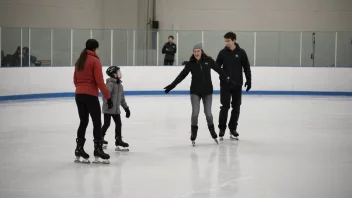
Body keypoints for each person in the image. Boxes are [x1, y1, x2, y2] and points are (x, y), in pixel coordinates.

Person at [164, 43, 234, 146]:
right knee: (195, 113)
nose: (196, 53)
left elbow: (219, 70)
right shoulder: (190, 64)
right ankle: (194, 131)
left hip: (207, 92)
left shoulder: (209, 61)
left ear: (201, 51)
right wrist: (172, 85)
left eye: (198, 51)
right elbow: (182, 76)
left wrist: (227, 79)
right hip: (195, 92)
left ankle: (212, 130)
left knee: (208, 113)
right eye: (194, 51)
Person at [73, 39, 113, 164]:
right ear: (95, 48)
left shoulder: (80, 60)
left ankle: (79, 149)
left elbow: (75, 79)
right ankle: (98, 149)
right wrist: (108, 97)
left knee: (83, 121)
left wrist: (81, 88)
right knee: (97, 122)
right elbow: (100, 81)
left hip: (79, 95)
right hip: (90, 95)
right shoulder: (95, 61)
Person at [216, 32, 252, 141]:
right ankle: (222, 129)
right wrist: (224, 77)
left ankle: (232, 129)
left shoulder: (241, 53)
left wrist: (249, 80)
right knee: (225, 107)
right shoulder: (222, 53)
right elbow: (217, 67)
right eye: (225, 41)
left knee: (236, 107)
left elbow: (246, 67)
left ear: (234, 40)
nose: (226, 43)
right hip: (225, 85)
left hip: (237, 85)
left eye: (228, 41)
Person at [101, 66, 131, 151]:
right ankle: (100, 138)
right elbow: (105, 95)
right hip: (108, 108)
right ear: (113, 74)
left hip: (116, 110)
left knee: (118, 124)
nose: (120, 73)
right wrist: (108, 103)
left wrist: (126, 108)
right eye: (118, 72)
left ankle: (118, 140)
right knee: (107, 124)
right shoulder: (110, 84)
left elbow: (122, 99)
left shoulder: (120, 85)